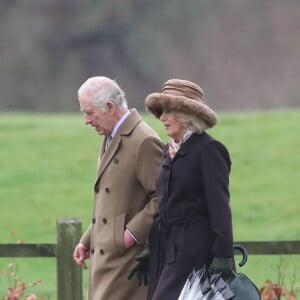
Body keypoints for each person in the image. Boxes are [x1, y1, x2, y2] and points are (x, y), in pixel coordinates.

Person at [72, 76, 164, 300]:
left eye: (90, 113)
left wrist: (132, 233)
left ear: (110, 107)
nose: (86, 120)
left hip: (126, 266)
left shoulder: (143, 140)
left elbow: (163, 196)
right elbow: (112, 206)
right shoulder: (110, 137)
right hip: (106, 262)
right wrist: (88, 240)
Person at [144, 79, 235, 299]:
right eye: (161, 112)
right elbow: (164, 202)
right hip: (166, 250)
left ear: (187, 115)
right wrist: (149, 246)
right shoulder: (168, 151)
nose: (162, 118)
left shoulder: (209, 150)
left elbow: (220, 208)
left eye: (168, 112)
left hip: (196, 253)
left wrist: (223, 255)